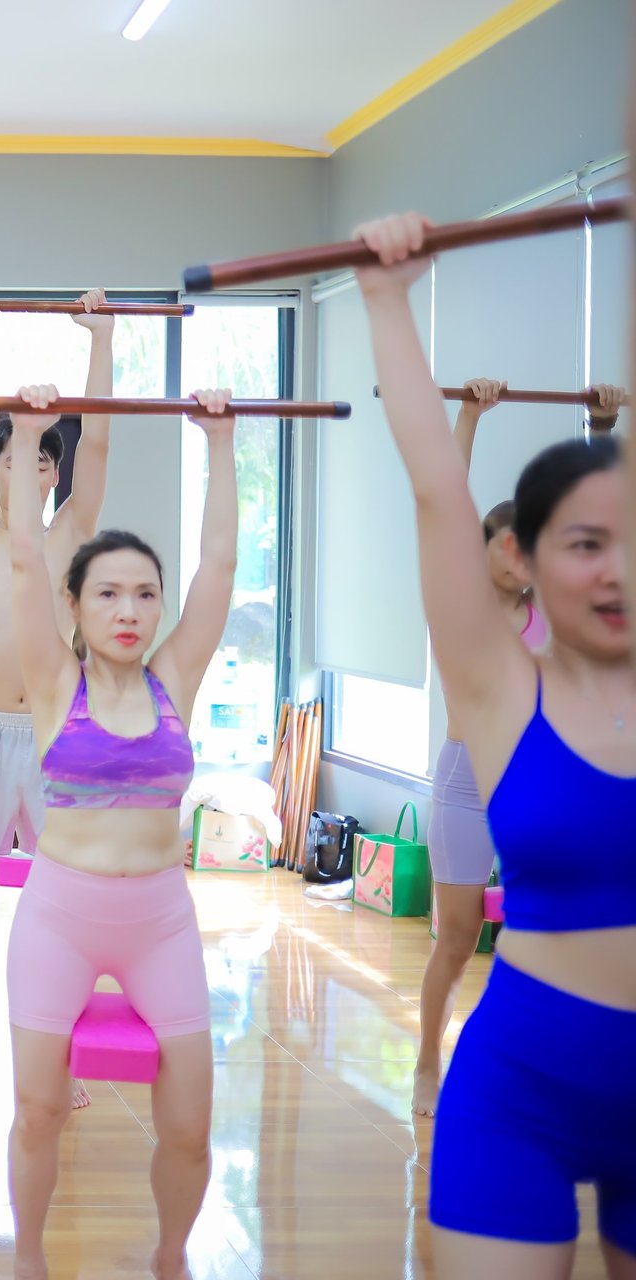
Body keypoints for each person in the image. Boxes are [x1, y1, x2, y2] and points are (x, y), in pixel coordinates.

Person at [356, 212, 635, 1279]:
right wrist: (387, 294)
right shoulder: (499, 686)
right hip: (522, 1093)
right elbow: (438, 488)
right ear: (525, 558)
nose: (612, 570)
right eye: (583, 544)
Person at [5, 383, 233, 1280]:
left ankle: (171, 1256)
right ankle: (28, 1258)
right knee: (38, 1111)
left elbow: (219, 568)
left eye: (144, 593)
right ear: (75, 605)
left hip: (161, 920)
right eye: (107, 594)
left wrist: (220, 443)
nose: (129, 611)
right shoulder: (53, 683)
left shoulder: (176, 677)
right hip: (61, 915)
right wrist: (30, 436)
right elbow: (24, 560)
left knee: (190, 1124)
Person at [412, 376, 625, 1118]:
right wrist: (469, 414)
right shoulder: (461, 612)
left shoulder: (554, 613)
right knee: (457, 938)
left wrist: (601, 427)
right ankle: (426, 1062)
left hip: (539, 781)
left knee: (558, 932)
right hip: (467, 782)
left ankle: (550, 1071)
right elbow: (444, 500)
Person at [0, 288, 117, 1111]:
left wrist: (101, 337)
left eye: (42, 460)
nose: (30, 469)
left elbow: (99, 438)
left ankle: (60, 1050)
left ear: (53, 473)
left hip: (54, 736)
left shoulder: (72, 535)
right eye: (13, 457)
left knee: (63, 902)